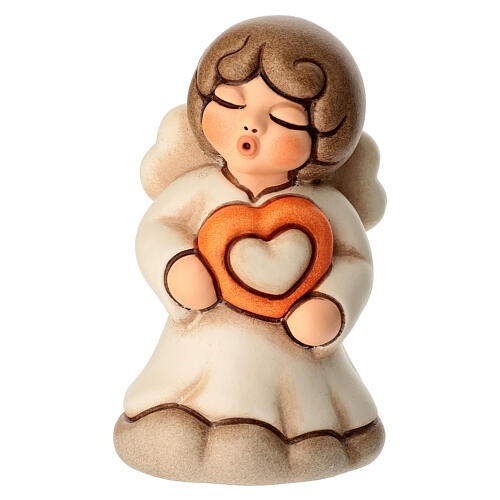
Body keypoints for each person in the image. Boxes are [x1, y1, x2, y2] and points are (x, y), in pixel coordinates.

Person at [114, 15, 386, 484]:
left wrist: (332, 305)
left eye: (283, 118)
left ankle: (299, 437)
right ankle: (178, 421)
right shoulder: (199, 189)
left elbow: (355, 261)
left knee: (298, 405)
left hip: (295, 352)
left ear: (325, 140)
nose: (251, 124)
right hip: (204, 335)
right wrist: (175, 267)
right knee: (193, 383)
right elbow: (156, 229)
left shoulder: (327, 207)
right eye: (231, 102)